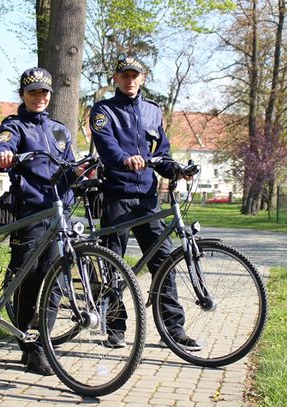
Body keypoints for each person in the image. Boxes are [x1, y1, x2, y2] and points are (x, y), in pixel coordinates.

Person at [89, 56, 201, 351]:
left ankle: (173, 329)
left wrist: (176, 169)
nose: (130, 80)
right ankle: (114, 327)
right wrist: (124, 159)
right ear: (116, 78)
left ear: (143, 78)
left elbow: (161, 153)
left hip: (148, 198)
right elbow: (106, 146)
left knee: (164, 262)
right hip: (117, 196)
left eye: (135, 75)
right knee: (113, 263)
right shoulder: (103, 110)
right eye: (124, 75)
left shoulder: (152, 111)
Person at [0, 67, 85, 375]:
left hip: (59, 212)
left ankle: (40, 340)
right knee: (29, 281)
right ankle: (30, 348)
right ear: (23, 95)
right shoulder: (14, 126)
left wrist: (81, 171)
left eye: (44, 92)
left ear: (50, 95)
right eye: (32, 92)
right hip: (31, 212)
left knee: (55, 279)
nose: (39, 97)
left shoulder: (59, 130)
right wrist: (4, 156)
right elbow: (0, 150)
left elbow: (68, 169)